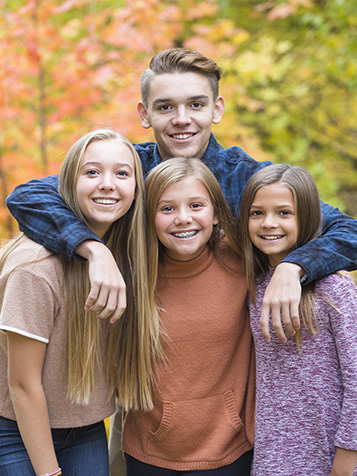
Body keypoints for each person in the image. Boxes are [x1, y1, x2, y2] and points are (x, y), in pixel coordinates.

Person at [6, 48, 357, 343]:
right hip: (134, 358)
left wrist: (294, 267)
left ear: (216, 109)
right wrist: (93, 249)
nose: (182, 119)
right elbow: (28, 196)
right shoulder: (130, 171)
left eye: (196, 105)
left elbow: (348, 232)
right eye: (165, 107)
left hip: (225, 365)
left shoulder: (246, 179)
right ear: (145, 114)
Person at [0, 129, 162, 476]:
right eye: (91, 172)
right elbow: (22, 385)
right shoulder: (36, 269)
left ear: (136, 189)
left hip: (84, 427)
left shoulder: (130, 256)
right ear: (66, 183)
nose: (107, 184)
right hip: (13, 426)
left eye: (122, 173)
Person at [122, 157, 255, 475]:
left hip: (230, 449)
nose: (183, 219)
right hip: (150, 452)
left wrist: (295, 269)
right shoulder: (132, 272)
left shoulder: (243, 260)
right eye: (167, 209)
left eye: (196, 205)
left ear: (217, 214)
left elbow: (306, 230)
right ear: (149, 217)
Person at [239, 163, 357, 476]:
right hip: (270, 460)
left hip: (332, 458)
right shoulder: (253, 286)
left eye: (283, 213)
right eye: (256, 213)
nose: (268, 223)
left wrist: (348, 454)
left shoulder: (335, 288)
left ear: (307, 216)